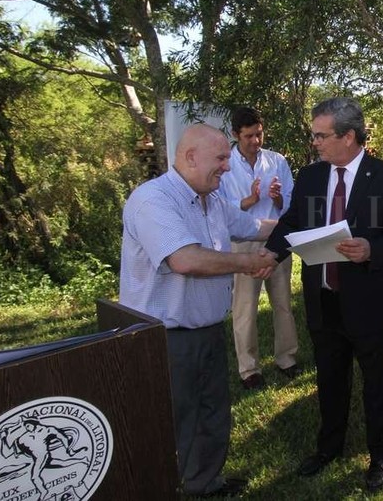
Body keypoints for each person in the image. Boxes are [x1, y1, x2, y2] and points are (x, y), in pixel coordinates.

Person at [119, 123, 278, 498]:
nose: (227, 167)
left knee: (211, 412)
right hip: (166, 337)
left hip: (206, 330)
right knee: (175, 419)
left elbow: (255, 225)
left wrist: (309, 226)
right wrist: (247, 264)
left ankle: (206, 483)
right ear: (191, 157)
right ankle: (168, 485)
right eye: (221, 158)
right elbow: (185, 259)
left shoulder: (213, 201)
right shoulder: (152, 200)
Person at [265, 97, 383, 491]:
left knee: (378, 383)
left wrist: (371, 249)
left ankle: (381, 454)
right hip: (323, 298)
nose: (314, 141)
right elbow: (292, 220)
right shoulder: (311, 176)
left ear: (349, 136)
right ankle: (328, 447)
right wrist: (270, 253)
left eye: (321, 135)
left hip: (371, 303)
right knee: (331, 379)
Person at [219, 106, 300, 390]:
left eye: (259, 134)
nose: (255, 141)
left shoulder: (277, 161)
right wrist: (249, 201)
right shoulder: (225, 164)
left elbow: (290, 205)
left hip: (276, 239)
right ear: (235, 135)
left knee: (282, 302)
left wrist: (277, 199)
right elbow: (220, 207)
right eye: (249, 136)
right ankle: (249, 369)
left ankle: (286, 357)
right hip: (243, 242)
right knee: (244, 306)